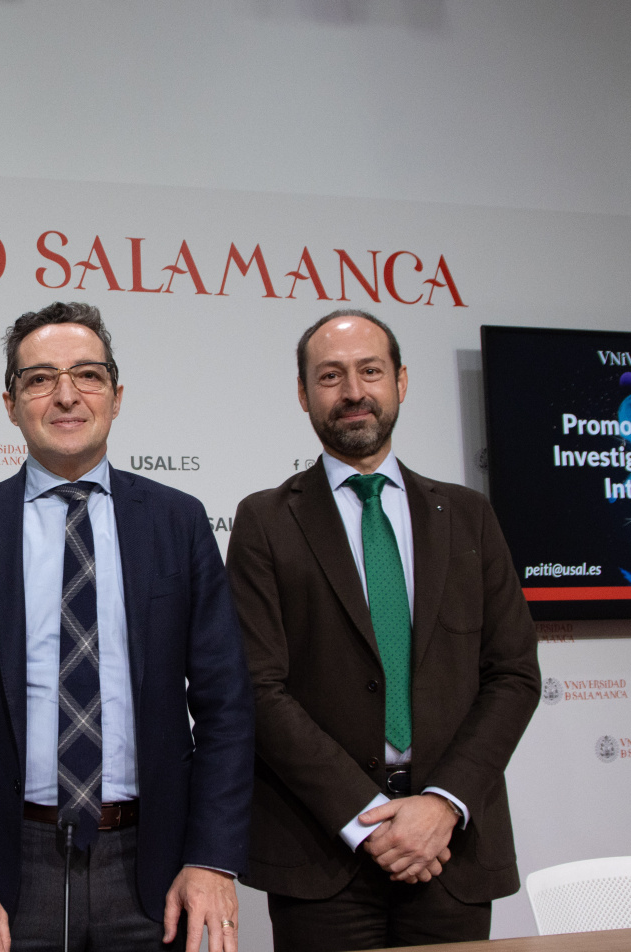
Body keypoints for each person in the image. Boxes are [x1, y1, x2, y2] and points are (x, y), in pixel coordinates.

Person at [0, 302, 254, 952]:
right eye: (39, 378)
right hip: (2, 873)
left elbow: (227, 706)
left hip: (154, 864)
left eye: (86, 375)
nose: (65, 395)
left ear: (116, 395)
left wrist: (212, 858)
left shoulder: (178, 522)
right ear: (10, 403)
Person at [226, 310, 540, 951]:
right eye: (330, 376)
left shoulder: (470, 517)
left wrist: (442, 804)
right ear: (303, 394)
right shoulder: (265, 521)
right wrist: (368, 820)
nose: (352, 392)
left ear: (400, 381)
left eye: (370, 371)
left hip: (450, 851)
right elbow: (257, 688)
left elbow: (512, 674)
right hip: (324, 855)